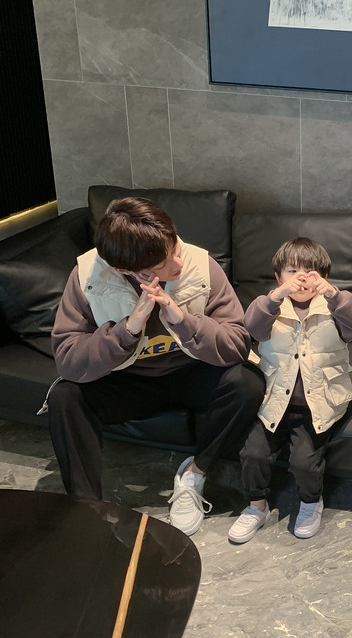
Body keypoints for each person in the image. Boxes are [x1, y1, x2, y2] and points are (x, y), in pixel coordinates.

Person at [46, 196, 265, 535]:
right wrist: (126, 330)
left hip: (192, 371)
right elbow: (69, 360)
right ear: (126, 270)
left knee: (247, 382)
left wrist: (183, 321)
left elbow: (238, 343)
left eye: (175, 246)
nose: (179, 262)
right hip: (128, 379)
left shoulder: (201, 264)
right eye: (164, 263)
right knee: (65, 397)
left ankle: (194, 474)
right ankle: (87, 511)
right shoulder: (87, 276)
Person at [229, 237, 352, 543]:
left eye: (310, 272)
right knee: (253, 454)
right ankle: (256, 506)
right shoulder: (270, 306)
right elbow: (252, 327)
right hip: (274, 401)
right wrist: (275, 297)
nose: (301, 279)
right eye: (292, 271)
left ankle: (310, 502)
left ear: (324, 277)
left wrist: (333, 294)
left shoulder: (333, 306)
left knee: (304, 462)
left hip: (319, 403)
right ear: (278, 277)